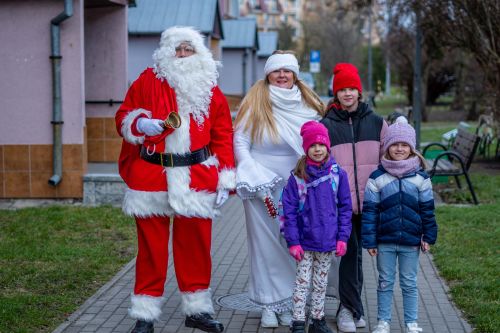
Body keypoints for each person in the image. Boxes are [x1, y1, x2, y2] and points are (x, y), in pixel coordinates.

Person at [115, 26, 236, 333]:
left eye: (188, 49)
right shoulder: (146, 81)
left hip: (196, 177)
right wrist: (142, 123)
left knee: (196, 247)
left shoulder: (211, 89)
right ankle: (145, 315)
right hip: (153, 177)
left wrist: (225, 177)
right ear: (165, 53)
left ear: (199, 53)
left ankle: (197, 311)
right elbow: (124, 116)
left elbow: (222, 134)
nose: (182, 55)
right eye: (176, 50)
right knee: (151, 250)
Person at [233, 51, 325, 328]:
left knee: (293, 243)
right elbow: (241, 142)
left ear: (295, 74)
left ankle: (289, 301)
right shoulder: (255, 103)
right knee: (265, 244)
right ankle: (268, 304)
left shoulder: (307, 105)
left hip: (298, 184)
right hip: (261, 184)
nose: (282, 75)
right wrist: (253, 174)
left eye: (287, 71)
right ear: (268, 74)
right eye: (277, 71)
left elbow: (318, 144)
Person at [320, 63, 388, 333]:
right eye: (342, 89)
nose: (347, 94)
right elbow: (319, 162)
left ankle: (352, 307)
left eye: (352, 89)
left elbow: (389, 158)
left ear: (359, 92)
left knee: (360, 256)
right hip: (342, 203)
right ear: (336, 94)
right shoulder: (326, 125)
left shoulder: (376, 122)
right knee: (348, 255)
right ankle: (347, 309)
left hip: (371, 202)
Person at [361, 117, 438, 333]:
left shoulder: (421, 178)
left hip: (411, 241)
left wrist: (428, 236)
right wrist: (370, 240)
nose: (400, 148)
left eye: (405, 145)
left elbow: (427, 211)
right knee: (385, 282)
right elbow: (370, 211)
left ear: (412, 148)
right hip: (384, 241)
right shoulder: (377, 177)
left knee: (409, 283)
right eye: (395, 144)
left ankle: (411, 322)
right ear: (387, 146)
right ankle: (383, 322)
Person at [281, 121, 352, 333]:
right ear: (306, 148)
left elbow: (346, 208)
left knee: (321, 284)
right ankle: (298, 322)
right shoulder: (297, 178)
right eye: (313, 145)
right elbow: (289, 212)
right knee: (302, 283)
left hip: (328, 241)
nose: (318, 149)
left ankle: (318, 320)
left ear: (328, 146)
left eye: (321, 145)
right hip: (304, 242)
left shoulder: (338, 175)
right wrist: (293, 241)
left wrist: (342, 238)